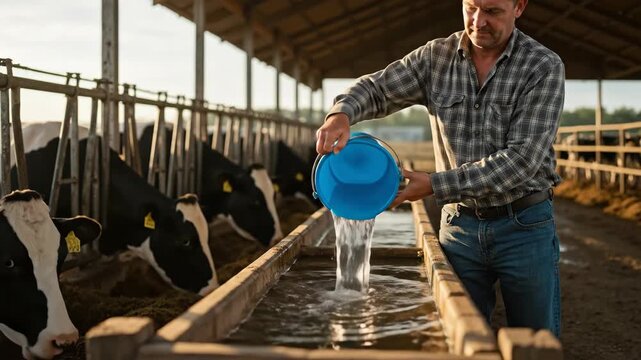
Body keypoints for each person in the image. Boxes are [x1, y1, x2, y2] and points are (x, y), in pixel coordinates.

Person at [315, 0, 563, 337]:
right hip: (460, 225)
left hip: (523, 226)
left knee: (535, 338)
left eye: (492, 11)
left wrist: (435, 184)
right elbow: (376, 88)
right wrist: (341, 114)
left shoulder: (541, 66)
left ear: (519, 6)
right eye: (471, 7)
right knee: (457, 336)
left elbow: (522, 160)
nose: (478, 21)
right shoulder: (436, 58)